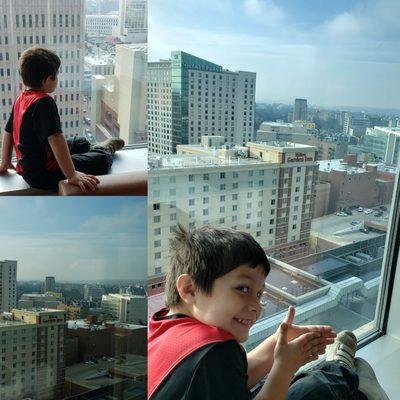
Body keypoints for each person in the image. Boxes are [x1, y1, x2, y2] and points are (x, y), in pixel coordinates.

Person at [148, 225, 389, 400]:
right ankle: (348, 379)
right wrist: (284, 368)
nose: (257, 306)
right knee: (315, 390)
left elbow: (227, 380)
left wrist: (277, 345)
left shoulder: (162, 325)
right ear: (190, 289)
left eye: (259, 294)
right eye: (243, 289)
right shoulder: (215, 353)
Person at [0, 46, 124, 191]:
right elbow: (55, 138)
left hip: (29, 169)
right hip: (44, 175)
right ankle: (104, 150)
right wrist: (72, 175)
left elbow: (8, 132)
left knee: (80, 141)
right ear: (47, 79)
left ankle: (88, 153)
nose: (57, 80)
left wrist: (5, 162)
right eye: (56, 76)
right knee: (101, 160)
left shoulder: (21, 98)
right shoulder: (44, 102)